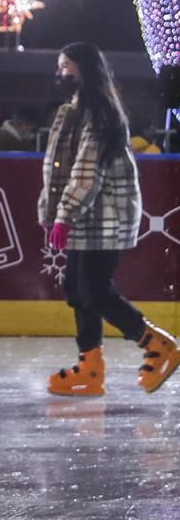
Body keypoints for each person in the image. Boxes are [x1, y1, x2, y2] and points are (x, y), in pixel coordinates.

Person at [38, 43, 177, 397]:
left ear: (84, 70)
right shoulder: (71, 111)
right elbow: (56, 170)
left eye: (66, 66)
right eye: (59, 66)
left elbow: (87, 174)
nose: (60, 74)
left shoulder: (100, 115)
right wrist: (52, 212)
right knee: (76, 289)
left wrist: (64, 216)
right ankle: (90, 365)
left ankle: (157, 344)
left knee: (94, 290)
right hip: (85, 216)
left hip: (107, 216)